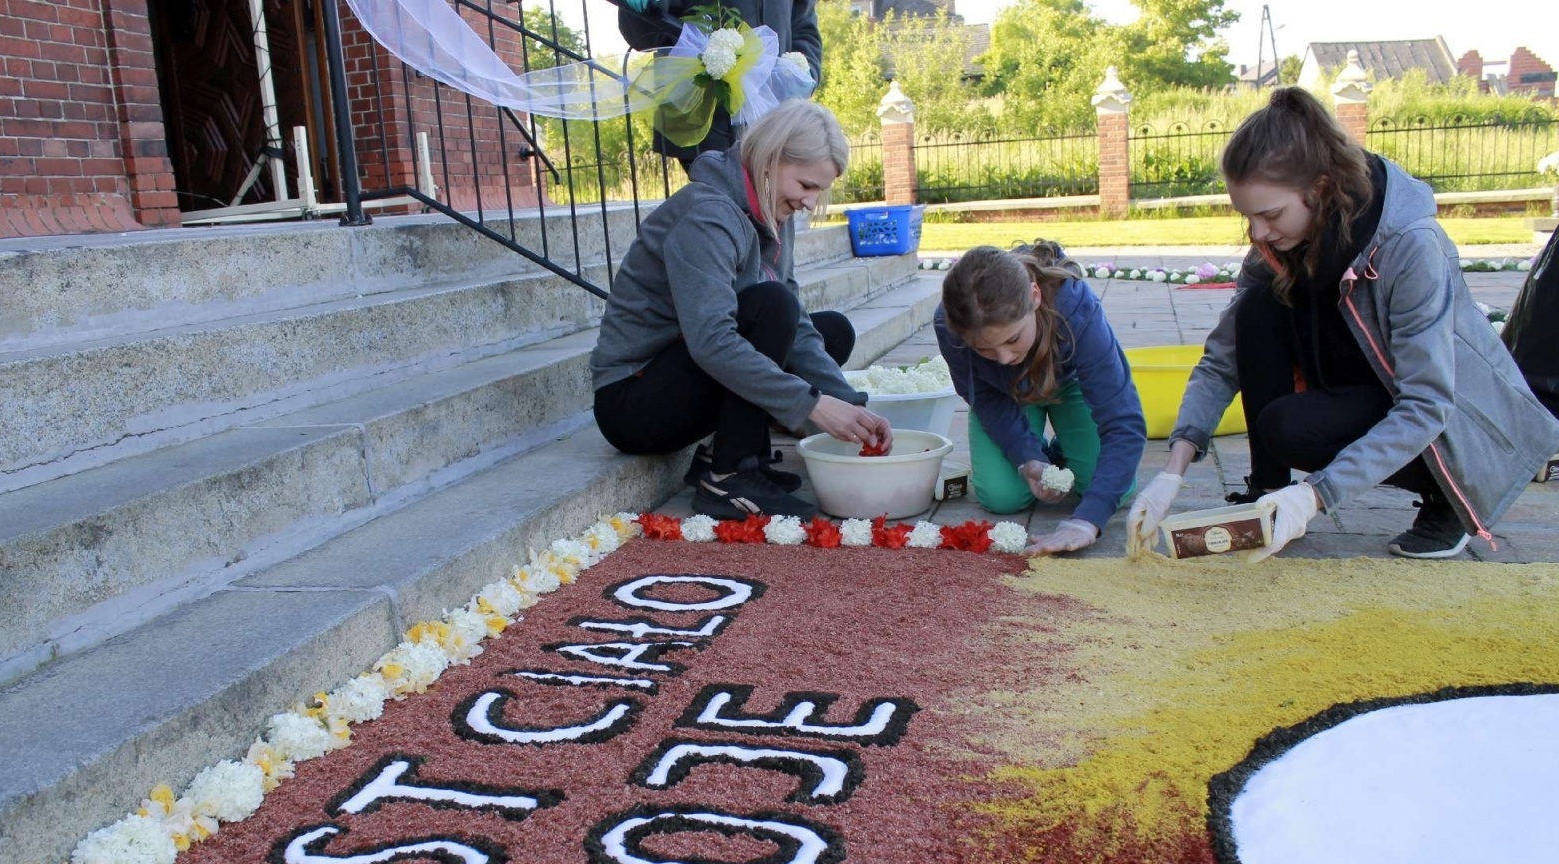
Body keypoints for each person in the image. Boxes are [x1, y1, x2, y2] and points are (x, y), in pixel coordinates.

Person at [1126, 86, 1559, 561]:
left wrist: (1314, 496)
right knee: (1256, 311)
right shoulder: (1280, 243)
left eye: (1269, 215)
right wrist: (1173, 469)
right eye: (1246, 217)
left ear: (1321, 188)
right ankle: (1266, 494)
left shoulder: (1410, 245)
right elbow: (1223, 358)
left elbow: (1427, 403)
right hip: (1362, 387)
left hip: (1453, 426)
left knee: (1289, 428)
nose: (1257, 233)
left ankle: (1448, 498)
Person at [591, 99, 890, 520]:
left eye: (819, 190)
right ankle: (727, 477)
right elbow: (712, 341)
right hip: (633, 402)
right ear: (770, 161)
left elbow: (798, 325)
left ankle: (733, 451)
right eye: (806, 185)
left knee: (828, 330)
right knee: (771, 309)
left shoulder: (770, 212)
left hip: (684, 371)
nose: (810, 201)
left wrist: (850, 405)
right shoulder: (708, 216)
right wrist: (812, 406)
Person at [934, 241, 1147, 557]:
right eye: (985, 349)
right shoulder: (950, 326)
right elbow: (986, 400)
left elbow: (1123, 421)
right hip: (1006, 396)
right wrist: (1026, 458)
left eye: (1012, 339)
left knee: (1109, 487)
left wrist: (1087, 522)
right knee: (1001, 497)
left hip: (1070, 386)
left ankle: (1066, 451)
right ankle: (1047, 456)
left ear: (1034, 297)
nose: (1004, 358)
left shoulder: (1075, 307)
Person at [619, 0, 823, 165]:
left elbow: (804, 27)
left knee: (773, 206)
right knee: (726, 207)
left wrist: (806, 71)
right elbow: (644, 33)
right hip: (704, 121)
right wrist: (641, 11)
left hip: (775, 119)